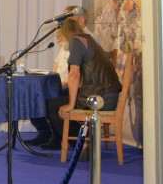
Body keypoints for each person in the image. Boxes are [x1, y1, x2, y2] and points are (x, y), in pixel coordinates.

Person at [31, 17, 122, 149]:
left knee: (53, 105)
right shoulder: (86, 39)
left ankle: (82, 144)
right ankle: (76, 140)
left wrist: (71, 105)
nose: (58, 40)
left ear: (66, 33)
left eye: (59, 36)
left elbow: (74, 75)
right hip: (105, 93)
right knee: (55, 98)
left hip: (100, 98)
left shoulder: (76, 42)